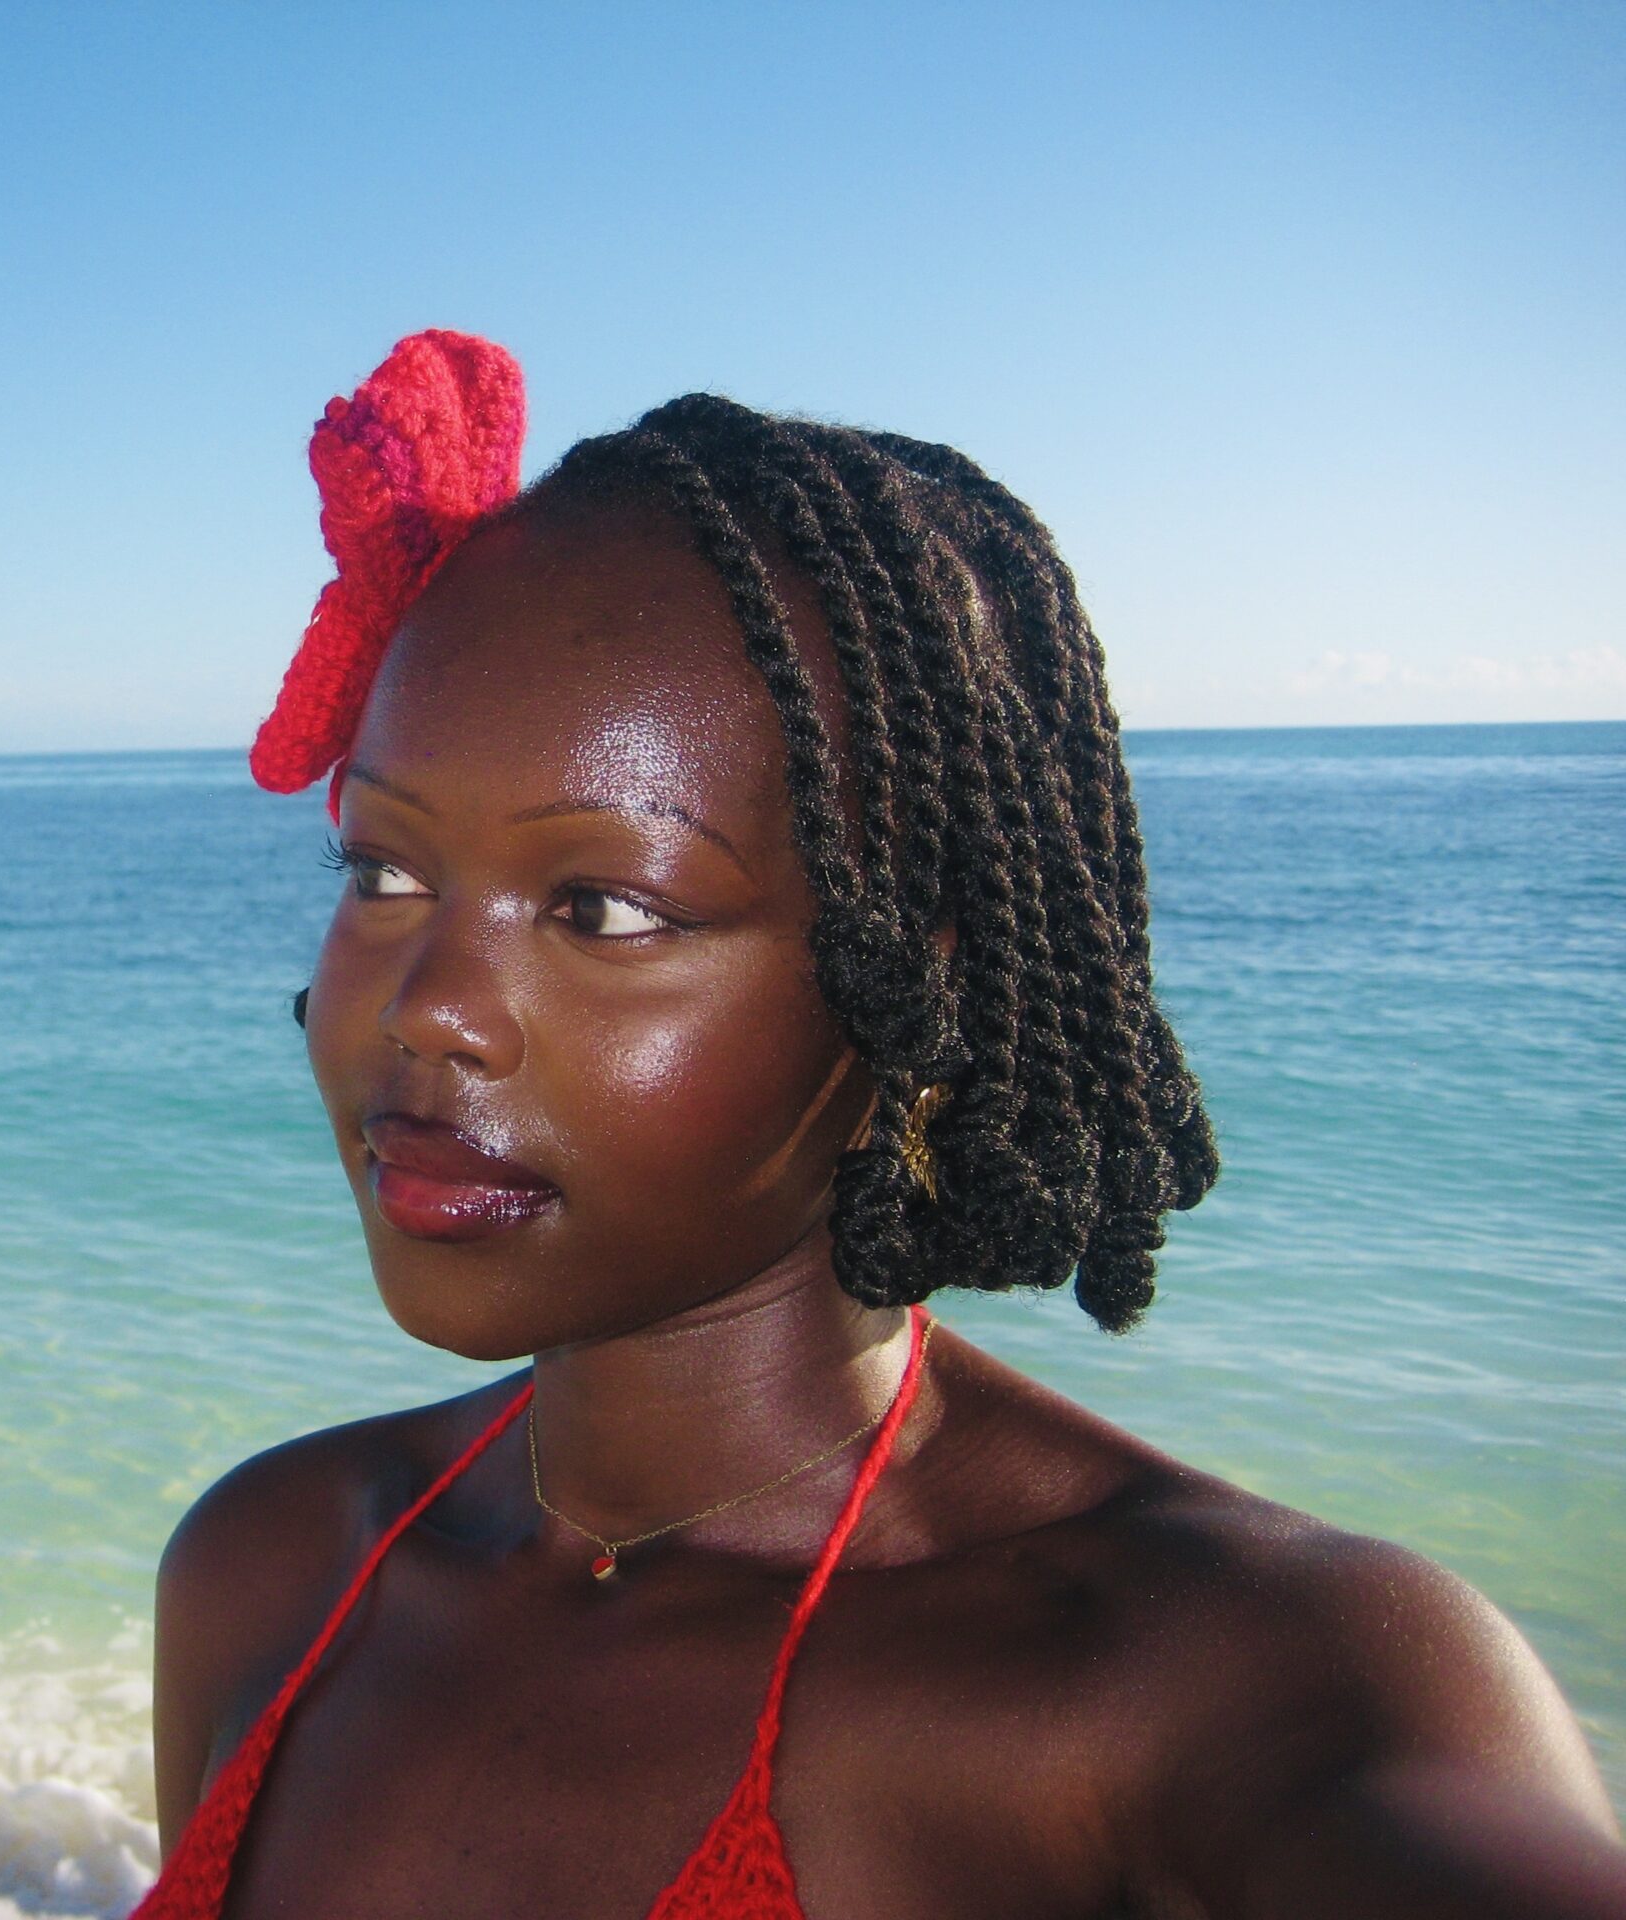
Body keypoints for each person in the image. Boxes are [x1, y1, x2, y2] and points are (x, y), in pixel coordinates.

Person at [134, 332, 1626, 1919]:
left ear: (910, 981)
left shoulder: (1202, 1696)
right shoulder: (272, 1569)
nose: (429, 1003)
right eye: (382, 873)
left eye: (605, 906)